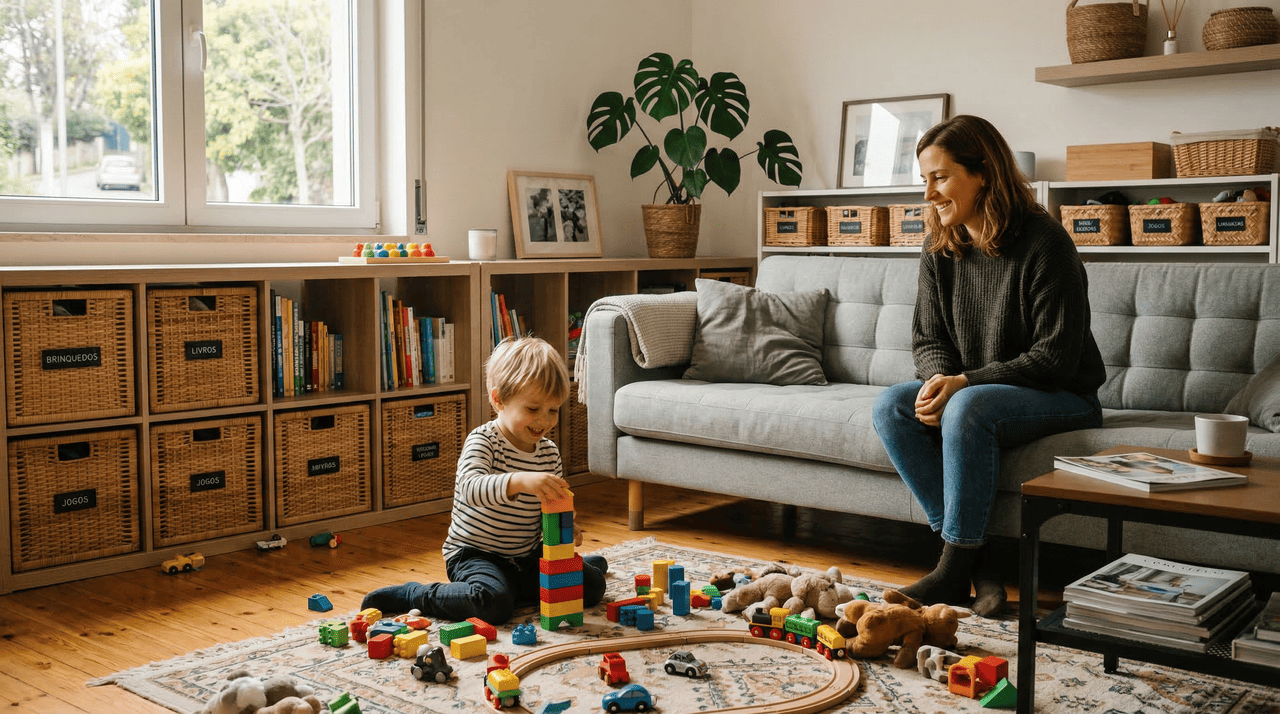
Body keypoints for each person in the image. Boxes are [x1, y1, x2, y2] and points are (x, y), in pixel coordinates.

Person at [873, 115, 1106, 617]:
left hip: (1063, 396)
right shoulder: (940, 242)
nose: (930, 193)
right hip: (981, 393)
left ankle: (955, 568)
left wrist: (964, 383)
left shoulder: (1046, 242)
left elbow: (1055, 359)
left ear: (983, 173)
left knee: (968, 408)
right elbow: (928, 336)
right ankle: (974, 562)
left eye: (940, 177)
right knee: (892, 405)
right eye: (924, 180)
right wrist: (940, 379)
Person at [360, 336, 607, 624]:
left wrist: (565, 527)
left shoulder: (548, 454)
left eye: (553, 410)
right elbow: (470, 488)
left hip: (523, 556)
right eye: (533, 409)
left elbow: (547, 511)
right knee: (493, 604)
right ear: (498, 399)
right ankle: (414, 594)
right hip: (475, 554)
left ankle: (555, 575)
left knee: (593, 587)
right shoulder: (484, 442)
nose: (544, 420)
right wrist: (518, 481)